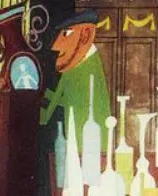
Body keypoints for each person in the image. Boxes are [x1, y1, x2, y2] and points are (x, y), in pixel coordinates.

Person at [40, 10, 111, 153]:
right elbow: (59, 97)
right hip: (64, 143)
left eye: (66, 33)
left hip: (83, 149)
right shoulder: (73, 65)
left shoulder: (88, 68)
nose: (55, 46)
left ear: (85, 35)